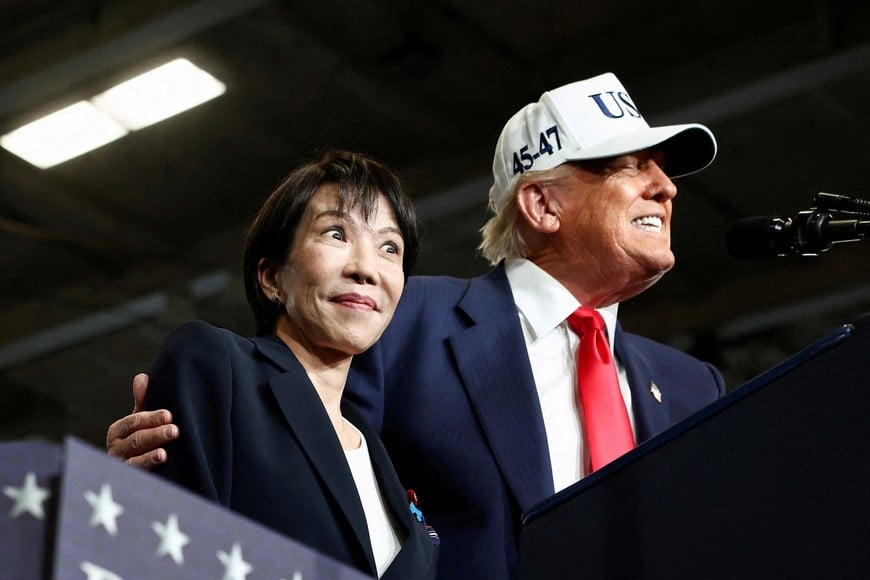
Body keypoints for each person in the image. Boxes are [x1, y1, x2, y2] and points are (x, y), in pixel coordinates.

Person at [107, 72, 725, 579]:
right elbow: (293, 467)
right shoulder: (406, 325)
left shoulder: (696, 386)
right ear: (542, 204)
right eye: (628, 165)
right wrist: (131, 501)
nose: (665, 187)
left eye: (389, 248)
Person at [135, 149, 437, 579]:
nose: (367, 268)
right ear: (272, 277)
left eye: (390, 247)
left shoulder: (379, 451)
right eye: (336, 234)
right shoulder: (217, 366)